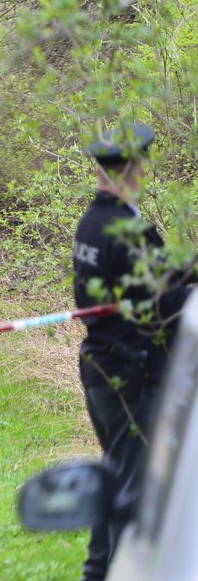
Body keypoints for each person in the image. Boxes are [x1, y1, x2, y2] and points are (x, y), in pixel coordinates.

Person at [73, 123, 194, 581]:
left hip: (101, 371)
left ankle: (96, 573)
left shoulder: (94, 222)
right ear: (133, 170)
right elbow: (164, 304)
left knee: (115, 481)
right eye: (140, 165)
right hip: (129, 374)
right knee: (133, 490)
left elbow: (153, 279)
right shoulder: (130, 229)